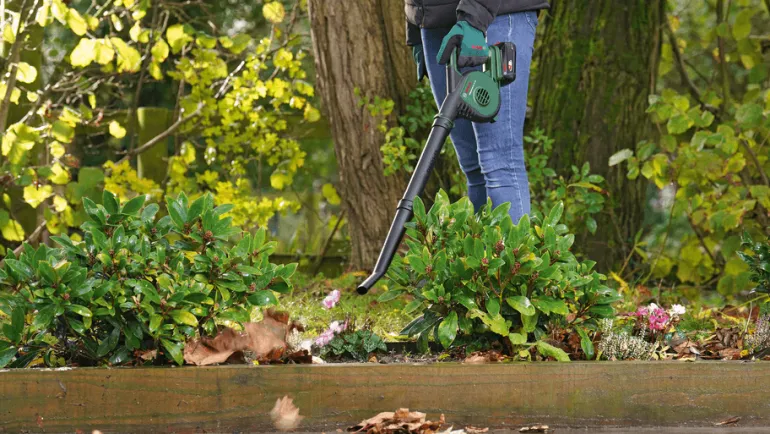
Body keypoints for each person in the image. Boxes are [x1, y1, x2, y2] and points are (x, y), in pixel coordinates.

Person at [405, 0, 549, 223]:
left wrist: (474, 19)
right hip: (436, 19)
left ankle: (511, 246)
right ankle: (484, 244)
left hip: (495, 13)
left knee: (499, 164)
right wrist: (414, 20)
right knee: (473, 167)